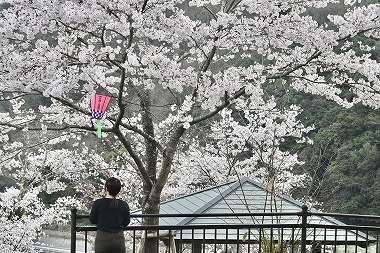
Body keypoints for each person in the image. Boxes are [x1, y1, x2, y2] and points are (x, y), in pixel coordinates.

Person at [89, 177, 131, 253]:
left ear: (106, 188)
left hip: (102, 239)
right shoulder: (124, 204)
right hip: (118, 239)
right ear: (118, 190)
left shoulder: (98, 203)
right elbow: (126, 222)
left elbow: (92, 220)